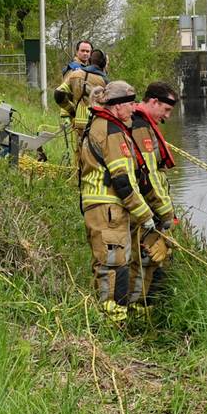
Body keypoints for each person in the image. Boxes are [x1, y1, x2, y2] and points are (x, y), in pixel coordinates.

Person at [78, 80, 157, 323]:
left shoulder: (99, 124)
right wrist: (145, 215)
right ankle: (114, 323)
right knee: (113, 267)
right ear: (117, 105)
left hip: (101, 207)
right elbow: (122, 180)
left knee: (110, 264)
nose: (134, 108)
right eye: (130, 103)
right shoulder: (111, 131)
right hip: (108, 209)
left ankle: (114, 319)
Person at [126, 81, 180, 309]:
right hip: (146, 209)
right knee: (145, 260)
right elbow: (147, 175)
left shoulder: (144, 125)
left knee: (153, 259)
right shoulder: (140, 128)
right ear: (154, 102)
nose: (167, 116)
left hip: (149, 207)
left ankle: (148, 308)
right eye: (166, 110)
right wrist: (166, 214)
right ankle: (139, 310)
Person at [55, 48, 108, 143]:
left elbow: (58, 94)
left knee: (80, 149)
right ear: (103, 64)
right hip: (96, 122)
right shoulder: (104, 81)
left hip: (79, 122)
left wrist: (72, 111)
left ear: (90, 60)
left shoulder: (75, 74)